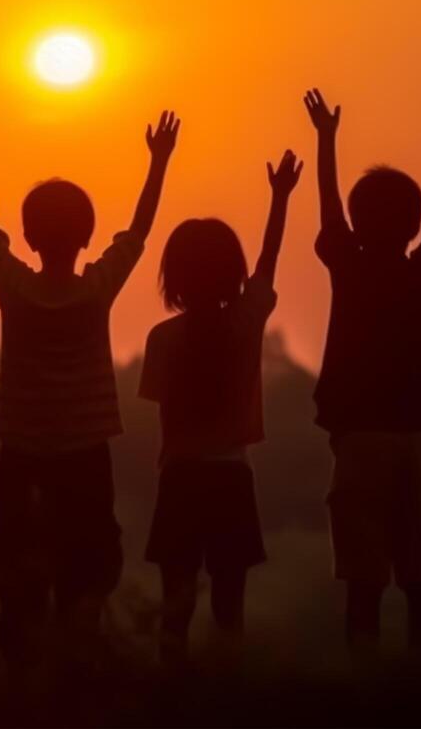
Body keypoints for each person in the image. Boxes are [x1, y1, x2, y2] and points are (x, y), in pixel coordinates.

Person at [0, 107, 179, 680]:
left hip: (23, 448)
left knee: (14, 563)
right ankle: (80, 669)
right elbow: (139, 232)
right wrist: (158, 162)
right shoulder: (98, 288)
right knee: (89, 559)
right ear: (86, 237)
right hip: (85, 449)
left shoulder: (15, 288)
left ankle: (21, 676)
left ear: (27, 236)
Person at [305, 73, 421, 665]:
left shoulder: (349, 265)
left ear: (358, 221)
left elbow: (328, 210)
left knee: (363, 584)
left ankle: (365, 686)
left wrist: (326, 140)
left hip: (361, 440)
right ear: (413, 224)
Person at [140, 149, 303, 665]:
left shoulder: (163, 338)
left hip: (180, 478)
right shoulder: (245, 324)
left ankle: (173, 697)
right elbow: (268, 262)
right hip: (232, 478)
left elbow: (162, 412)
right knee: (230, 607)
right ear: (232, 272)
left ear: (175, 278)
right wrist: (279, 199)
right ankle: (227, 696)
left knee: (176, 603)